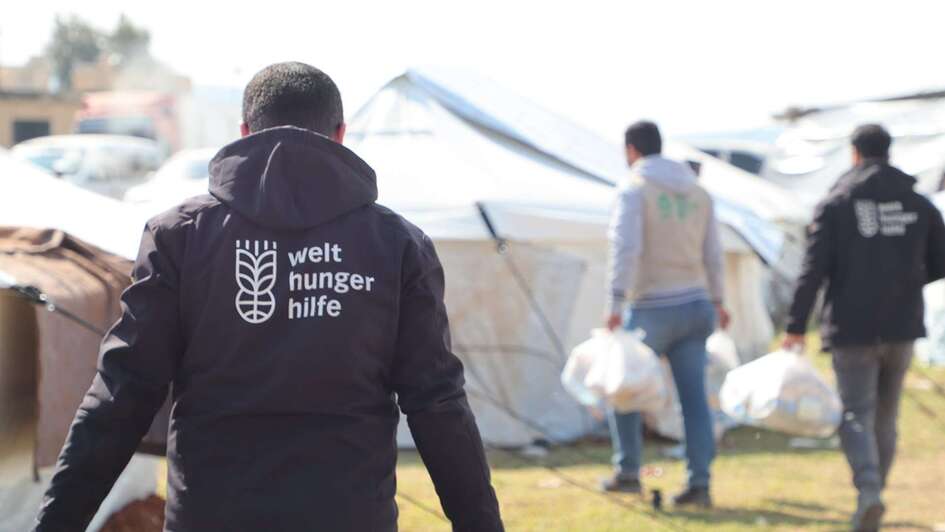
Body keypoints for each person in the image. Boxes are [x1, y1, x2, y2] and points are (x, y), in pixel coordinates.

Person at [34, 62, 503, 532]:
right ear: (340, 134)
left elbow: (123, 393)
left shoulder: (180, 236)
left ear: (244, 132)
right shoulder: (396, 243)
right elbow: (438, 403)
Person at [782, 123, 945, 532]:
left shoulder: (836, 203)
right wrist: (904, 280)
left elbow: (812, 270)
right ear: (888, 152)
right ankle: (875, 492)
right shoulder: (919, 203)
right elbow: (940, 264)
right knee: (885, 417)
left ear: (854, 154)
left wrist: (796, 325)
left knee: (857, 412)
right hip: (903, 324)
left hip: (852, 327)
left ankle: (869, 490)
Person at [602, 120, 729, 508]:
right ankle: (700, 483)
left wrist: (615, 302)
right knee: (694, 399)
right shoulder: (699, 192)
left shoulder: (635, 189)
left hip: (652, 306)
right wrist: (720, 300)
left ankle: (627, 472)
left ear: (631, 151)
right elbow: (714, 253)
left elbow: (627, 248)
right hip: (696, 304)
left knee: (622, 389)